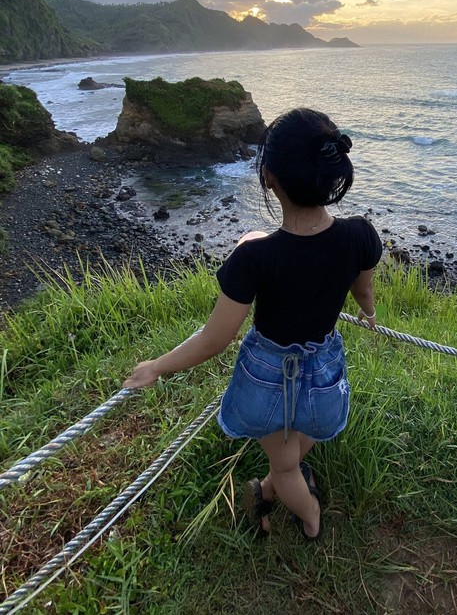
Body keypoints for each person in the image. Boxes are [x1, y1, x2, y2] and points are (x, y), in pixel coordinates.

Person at [124, 107, 382, 540]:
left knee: (284, 464)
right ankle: (271, 488)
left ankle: (310, 519)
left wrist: (157, 366)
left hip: (267, 377)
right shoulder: (360, 235)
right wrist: (369, 313)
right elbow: (364, 291)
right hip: (323, 370)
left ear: (268, 178)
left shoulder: (254, 258)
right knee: (301, 441)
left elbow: (215, 338)